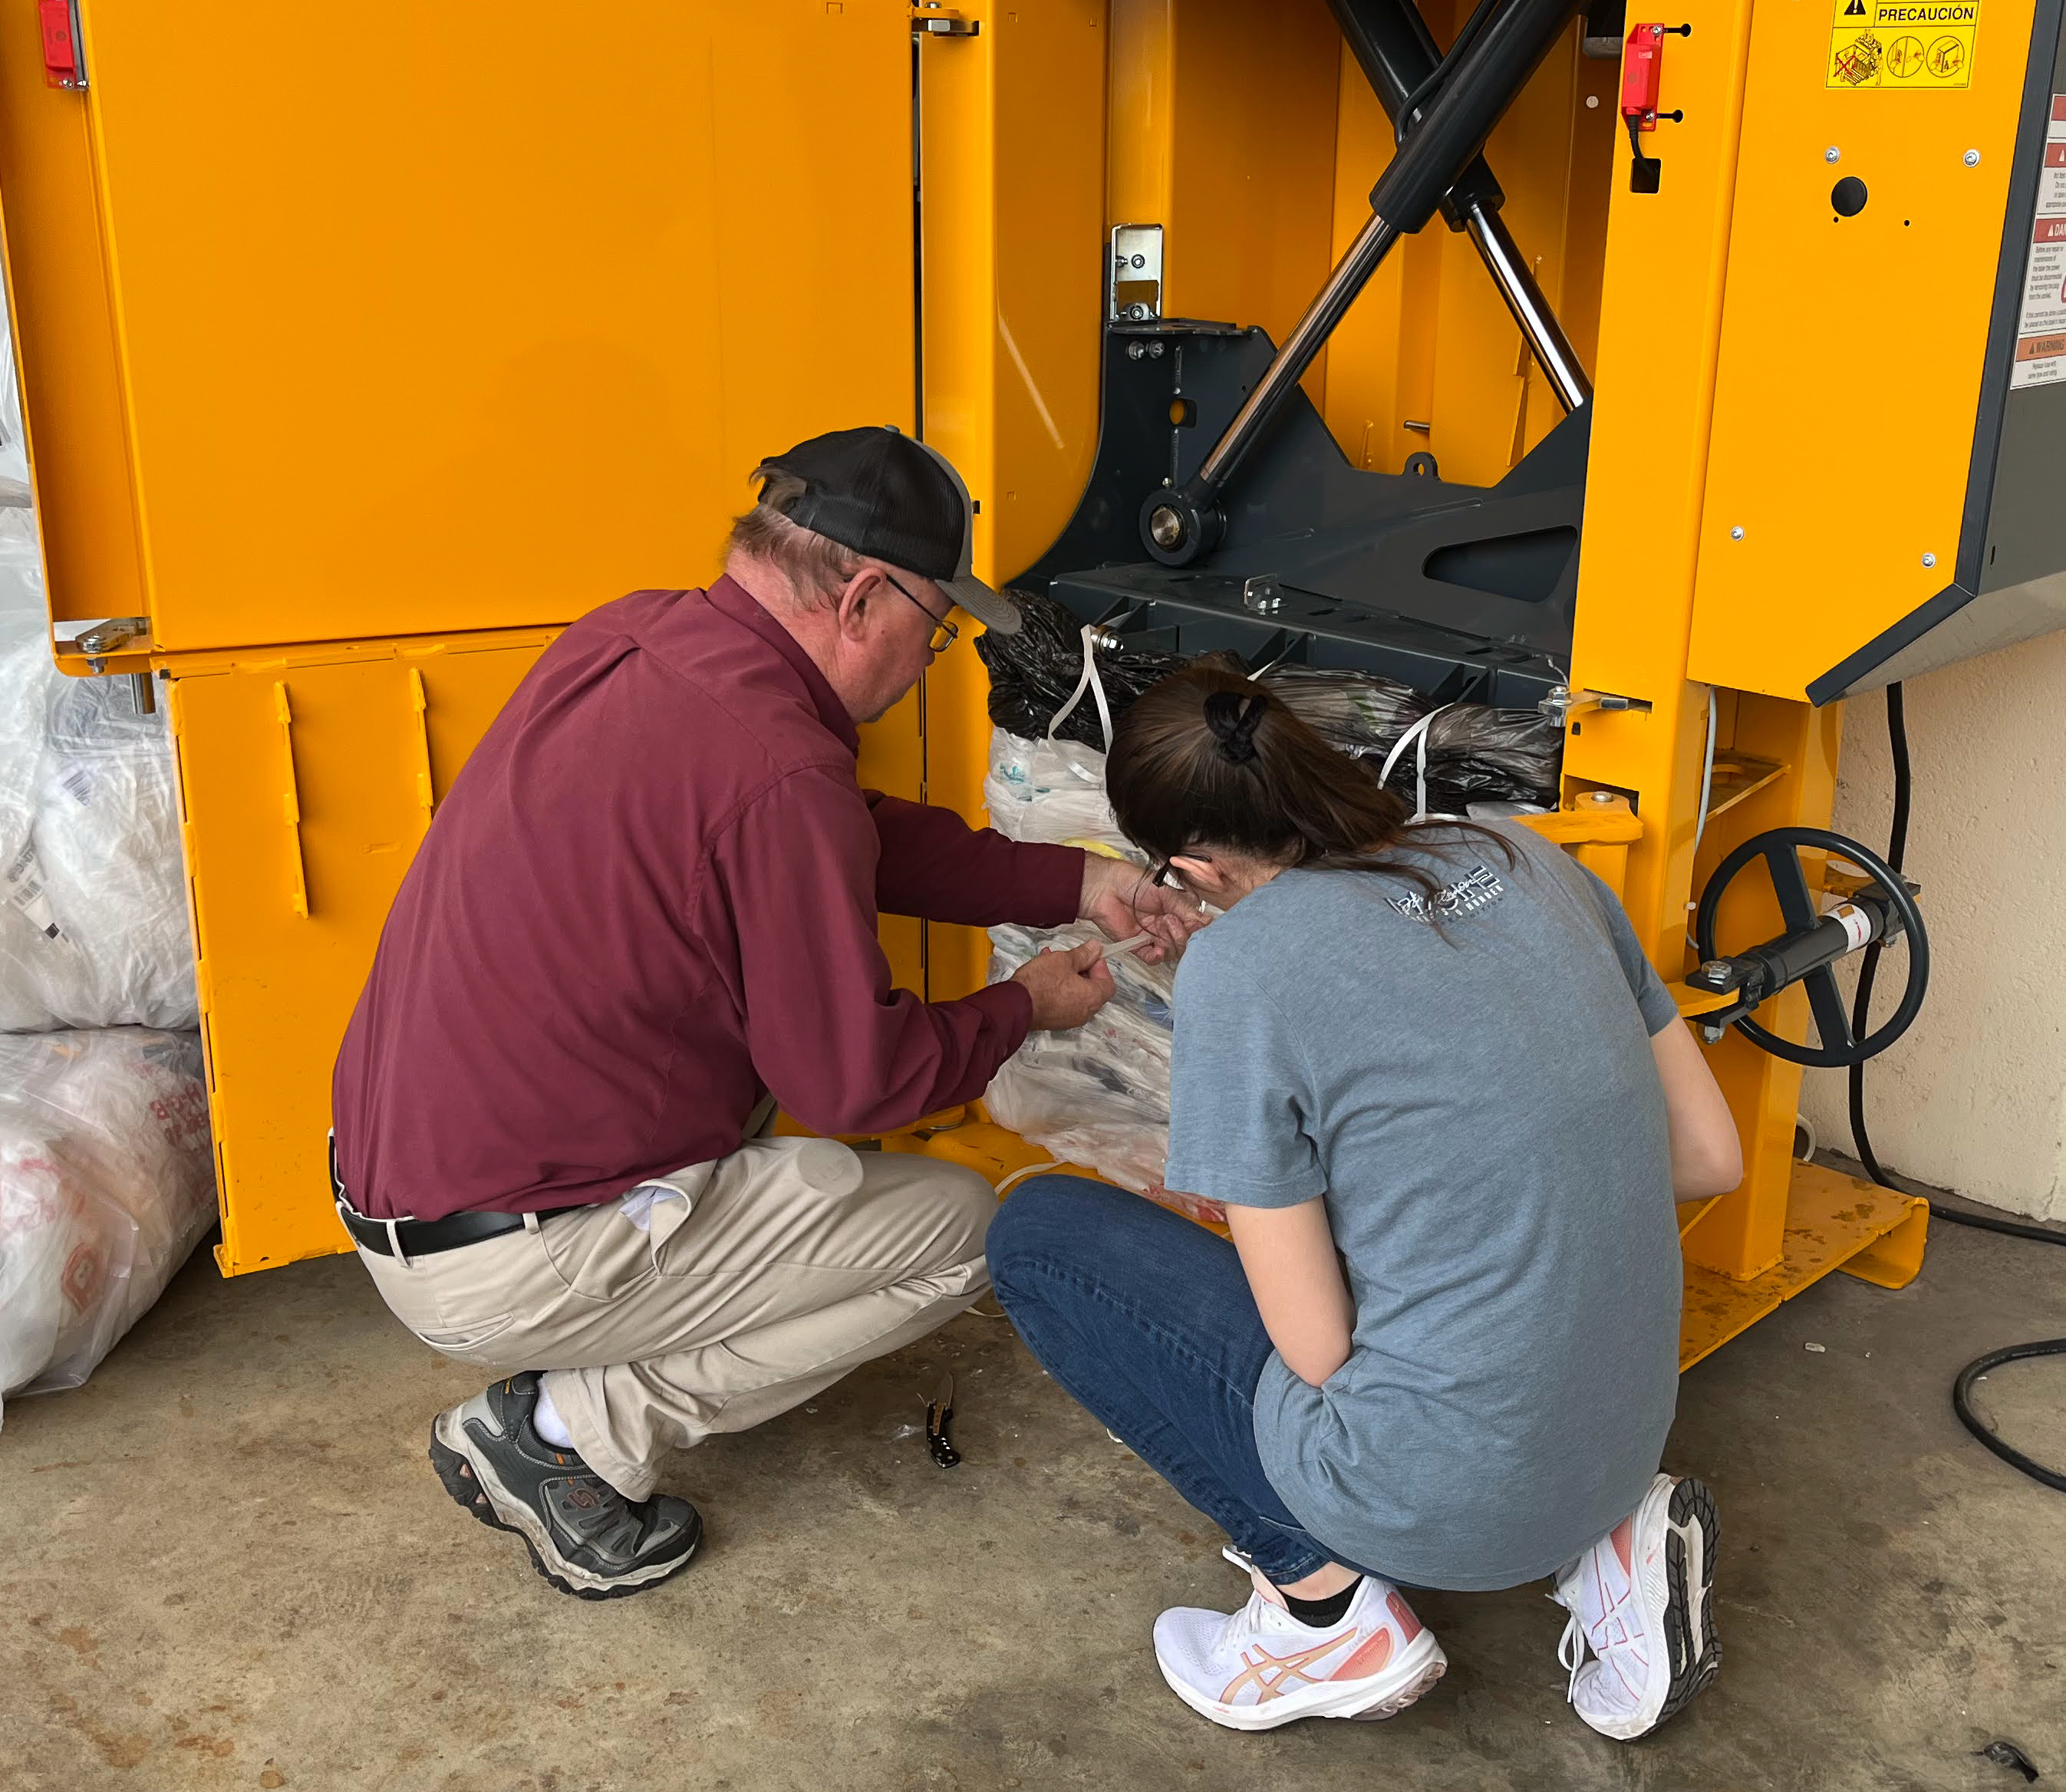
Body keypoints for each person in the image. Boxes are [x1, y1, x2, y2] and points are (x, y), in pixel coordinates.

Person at [330, 426, 1198, 1599]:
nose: (929, 656)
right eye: (934, 627)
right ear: (860, 598)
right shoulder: (779, 772)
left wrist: (1074, 880)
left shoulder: (637, 634)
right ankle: (568, 1432)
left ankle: (578, 1360)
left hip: (405, 1183)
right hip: (504, 1257)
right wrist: (1022, 1007)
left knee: (767, 1114)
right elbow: (856, 1081)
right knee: (964, 1230)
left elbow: (833, 825)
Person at [987, 662, 1742, 1739]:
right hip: (1615, 1437)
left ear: (1191, 864)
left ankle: (1322, 1609)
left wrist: (1234, 988)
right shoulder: (1525, 857)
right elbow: (1709, 1153)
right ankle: (1607, 1542)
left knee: (1039, 1233)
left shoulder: (1242, 972)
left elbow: (1317, 1348)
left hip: (1435, 1494)